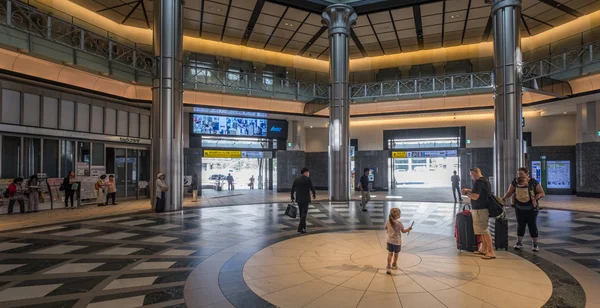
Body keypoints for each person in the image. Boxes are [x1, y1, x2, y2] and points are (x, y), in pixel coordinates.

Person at [502, 167, 545, 251]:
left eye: (521, 174)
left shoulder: (533, 182)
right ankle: (519, 242)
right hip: (519, 208)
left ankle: (535, 243)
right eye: (518, 174)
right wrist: (503, 199)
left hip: (531, 209)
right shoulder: (515, 181)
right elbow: (510, 192)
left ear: (527, 174)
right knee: (520, 225)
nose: (519, 175)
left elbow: (542, 192)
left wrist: (538, 196)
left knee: (532, 225)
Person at [462, 168, 496, 260]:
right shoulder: (485, 181)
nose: (471, 177)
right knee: (481, 230)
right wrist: (470, 190)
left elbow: (475, 196)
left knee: (484, 230)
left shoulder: (478, 182)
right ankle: (484, 249)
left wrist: (466, 194)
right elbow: (479, 193)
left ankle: (491, 252)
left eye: (472, 175)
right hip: (482, 208)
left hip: (480, 209)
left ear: (476, 173)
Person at [385, 208, 412, 274]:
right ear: (397, 215)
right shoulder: (399, 223)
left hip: (389, 241)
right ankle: (394, 265)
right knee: (396, 254)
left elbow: (386, 228)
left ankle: (388, 267)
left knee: (390, 254)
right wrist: (409, 229)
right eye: (399, 214)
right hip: (397, 242)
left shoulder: (388, 221)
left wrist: (389, 231)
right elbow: (403, 231)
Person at [291, 167, 316, 234]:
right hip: (306, 199)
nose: (309, 173)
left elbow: (292, 188)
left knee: (301, 213)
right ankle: (300, 227)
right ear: (305, 172)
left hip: (299, 199)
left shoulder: (296, 179)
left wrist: (292, 197)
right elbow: (312, 188)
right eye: (308, 172)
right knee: (304, 214)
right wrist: (314, 194)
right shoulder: (308, 180)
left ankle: (303, 228)